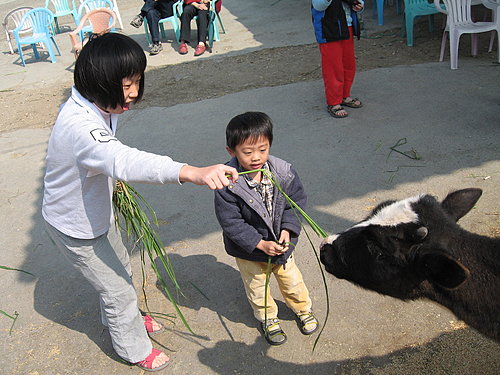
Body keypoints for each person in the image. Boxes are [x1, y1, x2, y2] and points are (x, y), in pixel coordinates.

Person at [42, 32, 238, 372]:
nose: (134, 92)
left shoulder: (89, 101)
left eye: (137, 81)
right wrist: (190, 172)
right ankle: (133, 348)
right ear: (99, 81)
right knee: (117, 290)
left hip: (96, 210)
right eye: (127, 84)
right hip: (75, 225)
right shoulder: (80, 126)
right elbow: (122, 159)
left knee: (120, 268)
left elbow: (102, 158)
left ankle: (122, 317)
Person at [213, 112, 319, 346]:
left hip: (282, 245)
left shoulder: (283, 173)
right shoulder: (226, 183)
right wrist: (258, 243)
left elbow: (295, 203)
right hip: (249, 250)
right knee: (257, 286)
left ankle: (302, 309)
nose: (256, 157)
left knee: (292, 280)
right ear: (232, 151)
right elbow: (231, 223)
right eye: (247, 152)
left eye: (263, 149)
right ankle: (268, 317)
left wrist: (288, 230)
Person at [311, 0, 364, 118]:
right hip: (328, 29)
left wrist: (359, 5)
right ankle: (334, 102)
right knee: (333, 67)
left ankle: (345, 95)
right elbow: (318, 6)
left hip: (347, 27)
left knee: (348, 64)